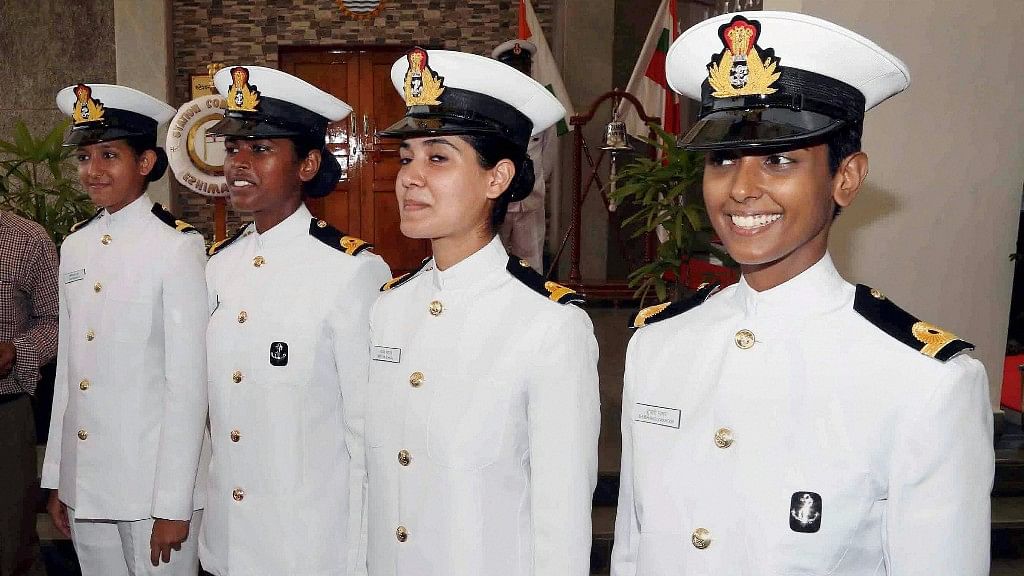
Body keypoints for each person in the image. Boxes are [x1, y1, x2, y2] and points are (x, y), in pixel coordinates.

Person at [611, 11, 993, 575]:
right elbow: (633, 545)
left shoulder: (925, 383)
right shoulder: (660, 344)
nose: (742, 189)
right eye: (722, 160)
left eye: (780, 159)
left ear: (847, 178)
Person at [367, 48, 600, 576]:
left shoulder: (550, 325)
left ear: (497, 178)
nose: (410, 178)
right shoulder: (390, 308)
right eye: (406, 158)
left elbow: (560, 520)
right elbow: (373, 470)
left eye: (438, 157)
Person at [200, 65, 391, 576]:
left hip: (309, 546)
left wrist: (360, 558)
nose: (238, 163)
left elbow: (365, 434)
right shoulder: (220, 266)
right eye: (233, 148)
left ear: (307, 165)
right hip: (230, 540)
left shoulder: (351, 272)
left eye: (260, 149)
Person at [41, 84, 209, 575]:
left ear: (145, 163)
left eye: (110, 155)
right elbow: (71, 375)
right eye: (86, 157)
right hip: (87, 482)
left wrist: (173, 503)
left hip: (151, 488)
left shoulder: (176, 248)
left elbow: (187, 386)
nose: (93, 171)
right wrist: (58, 477)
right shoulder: (76, 246)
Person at [0, 208, 58, 576]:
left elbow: (56, 321)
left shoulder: (28, 239)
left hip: (5, 410)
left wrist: (17, 351)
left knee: (11, 540)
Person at [491, 39, 552, 273]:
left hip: (531, 199)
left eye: (523, 69)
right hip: (497, 199)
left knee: (531, 263)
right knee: (493, 261)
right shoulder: (492, 106)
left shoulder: (542, 105)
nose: (519, 75)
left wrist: (533, 182)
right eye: (513, 70)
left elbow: (549, 154)